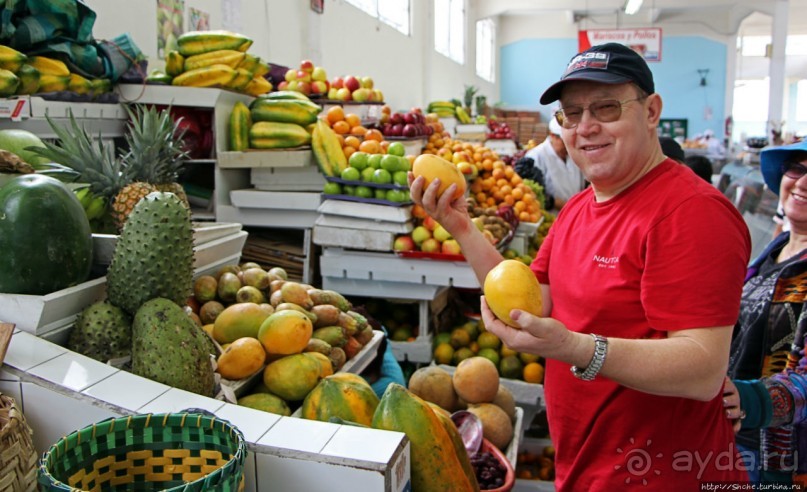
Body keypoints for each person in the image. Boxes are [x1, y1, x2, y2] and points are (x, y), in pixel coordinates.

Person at [409, 42, 751, 490]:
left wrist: (576, 348)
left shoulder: (691, 212)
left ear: (651, 112)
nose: (586, 127)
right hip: (587, 466)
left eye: (606, 108)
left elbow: (703, 369)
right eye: (571, 114)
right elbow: (532, 302)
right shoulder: (580, 208)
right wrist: (463, 228)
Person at [723, 139, 807, 485]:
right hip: (733, 437)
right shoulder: (774, 251)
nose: (802, 183)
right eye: (797, 170)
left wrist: (749, 398)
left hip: (781, 459)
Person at [521, 117, 586, 210]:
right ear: (552, 136)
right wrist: (564, 206)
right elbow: (533, 193)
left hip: (577, 213)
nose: (569, 145)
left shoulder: (573, 153)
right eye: (564, 142)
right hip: (552, 217)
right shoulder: (536, 157)